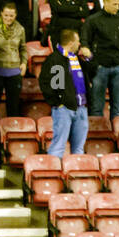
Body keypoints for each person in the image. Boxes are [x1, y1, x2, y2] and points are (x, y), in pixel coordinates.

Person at [0, 0, 27, 154]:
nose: (9, 18)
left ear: (15, 15)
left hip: (14, 72)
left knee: (13, 107)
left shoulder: (20, 29)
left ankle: (12, 139)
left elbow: (23, 48)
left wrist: (24, 63)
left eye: (12, 15)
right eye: (6, 15)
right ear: (1, 13)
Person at [40, 27, 89, 157]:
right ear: (71, 43)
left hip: (81, 108)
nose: (80, 44)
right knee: (58, 146)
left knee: (79, 149)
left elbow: (92, 71)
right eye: (78, 41)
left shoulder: (78, 59)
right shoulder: (56, 59)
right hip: (64, 109)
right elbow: (51, 85)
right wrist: (58, 103)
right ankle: (52, 173)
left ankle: (76, 174)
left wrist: (89, 57)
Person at [81, 0, 119, 119]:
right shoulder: (93, 20)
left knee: (118, 108)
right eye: (114, 4)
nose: (117, 7)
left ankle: (115, 134)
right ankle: (97, 137)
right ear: (106, 2)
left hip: (118, 67)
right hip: (99, 67)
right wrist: (93, 63)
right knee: (97, 107)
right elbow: (85, 43)